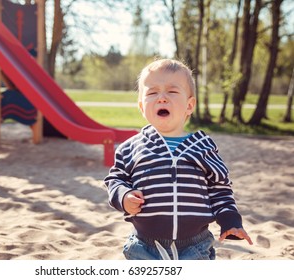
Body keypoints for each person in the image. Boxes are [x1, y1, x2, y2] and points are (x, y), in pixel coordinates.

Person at [104, 58, 253, 260]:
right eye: (152, 92)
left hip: (195, 246)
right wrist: (123, 196)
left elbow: (220, 187)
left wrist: (230, 220)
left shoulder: (203, 146)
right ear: (141, 106)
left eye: (172, 92)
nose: (162, 98)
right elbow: (115, 180)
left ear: (189, 105)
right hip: (145, 246)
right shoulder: (130, 148)